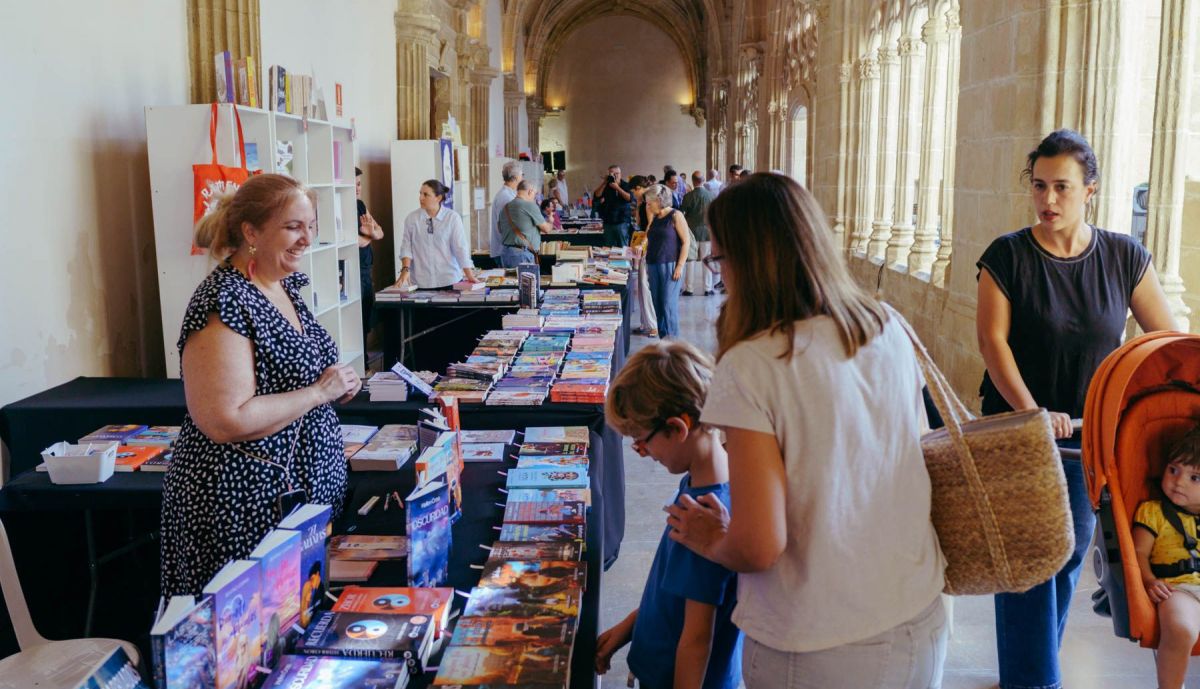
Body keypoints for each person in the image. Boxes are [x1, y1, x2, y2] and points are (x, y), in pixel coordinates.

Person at [665, 173, 948, 688]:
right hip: (917, 610)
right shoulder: (886, 324)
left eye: (720, 259)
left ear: (749, 262)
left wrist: (712, 539)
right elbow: (904, 460)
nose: (720, 274)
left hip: (821, 639)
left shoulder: (753, 364)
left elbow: (758, 546)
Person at [976, 128, 1176, 689]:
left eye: (1062, 187)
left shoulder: (1123, 256)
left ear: (1090, 189)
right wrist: (1034, 410)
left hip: (1087, 441)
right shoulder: (1006, 256)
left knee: (1067, 557)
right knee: (1027, 562)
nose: (1048, 200)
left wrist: (1126, 402)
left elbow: (1163, 339)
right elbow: (993, 344)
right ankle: (1033, 679)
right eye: (1039, 186)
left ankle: (1034, 665)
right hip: (1019, 430)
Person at [161, 174, 361, 597]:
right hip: (244, 507)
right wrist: (318, 393)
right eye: (293, 226)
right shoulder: (224, 300)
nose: (306, 238)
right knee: (245, 646)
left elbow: (300, 375)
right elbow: (224, 419)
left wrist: (338, 384)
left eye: (311, 226)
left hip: (295, 505)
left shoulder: (282, 286)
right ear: (251, 231)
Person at [596, 340, 743, 689]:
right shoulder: (700, 483)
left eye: (641, 440)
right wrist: (630, 627)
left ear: (677, 428)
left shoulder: (704, 518)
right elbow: (672, 589)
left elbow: (696, 642)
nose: (641, 452)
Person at [1133, 424, 1200, 689]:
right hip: (1178, 589)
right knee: (1181, 627)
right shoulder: (1153, 512)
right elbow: (1138, 553)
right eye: (1173, 470)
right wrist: (1149, 581)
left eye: (1194, 477)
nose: (1178, 481)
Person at [398, 180, 477, 289]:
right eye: (420, 193)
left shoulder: (452, 218)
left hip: (449, 280)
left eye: (426, 195)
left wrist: (470, 275)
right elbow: (406, 247)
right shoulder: (412, 219)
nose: (421, 198)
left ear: (438, 198)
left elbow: (460, 248)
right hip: (421, 283)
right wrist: (405, 270)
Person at [642, 184, 690, 338]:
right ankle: (664, 340)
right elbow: (648, 237)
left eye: (650, 201)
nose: (648, 205)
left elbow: (686, 242)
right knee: (657, 305)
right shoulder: (655, 217)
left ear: (660, 200)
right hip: (653, 264)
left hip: (670, 265)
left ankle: (673, 343)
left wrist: (680, 266)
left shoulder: (676, 215)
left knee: (668, 305)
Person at [355, 167, 384, 344]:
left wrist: (370, 233)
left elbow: (380, 232)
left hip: (366, 270)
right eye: (353, 185)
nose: (358, 188)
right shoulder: (339, 206)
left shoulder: (360, 205)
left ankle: (364, 359)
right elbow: (357, 241)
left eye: (359, 184)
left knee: (366, 316)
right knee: (356, 319)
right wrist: (369, 235)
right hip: (353, 271)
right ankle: (362, 362)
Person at [497, 179, 554, 268]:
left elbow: (500, 228)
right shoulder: (529, 205)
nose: (534, 198)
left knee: (511, 282)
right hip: (522, 255)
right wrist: (550, 221)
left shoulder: (505, 208)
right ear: (530, 191)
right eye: (535, 195)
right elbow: (546, 229)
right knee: (525, 282)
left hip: (505, 253)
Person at [627, 175, 658, 338]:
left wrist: (642, 243)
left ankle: (653, 324)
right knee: (641, 284)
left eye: (633, 191)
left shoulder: (649, 201)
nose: (633, 195)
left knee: (645, 286)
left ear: (638, 188)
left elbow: (650, 227)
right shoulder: (643, 202)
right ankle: (646, 322)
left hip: (650, 247)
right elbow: (640, 223)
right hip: (645, 246)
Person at [681, 171, 716, 296]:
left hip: (691, 232)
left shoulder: (688, 196)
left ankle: (689, 288)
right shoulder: (711, 196)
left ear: (693, 180)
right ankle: (708, 288)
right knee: (706, 259)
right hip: (707, 232)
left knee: (690, 260)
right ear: (704, 179)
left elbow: (682, 213)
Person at [592, 164, 634, 247]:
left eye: (617, 173)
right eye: (612, 173)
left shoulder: (625, 185)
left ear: (620, 174)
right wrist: (604, 183)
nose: (614, 175)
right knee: (608, 247)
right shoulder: (606, 186)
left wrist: (617, 188)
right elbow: (596, 196)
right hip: (608, 222)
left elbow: (629, 198)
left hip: (622, 222)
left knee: (623, 247)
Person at [489, 161, 522, 261]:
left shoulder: (509, 194)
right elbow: (505, 226)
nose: (522, 178)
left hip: (508, 250)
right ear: (515, 177)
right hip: (506, 252)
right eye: (521, 175)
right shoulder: (506, 197)